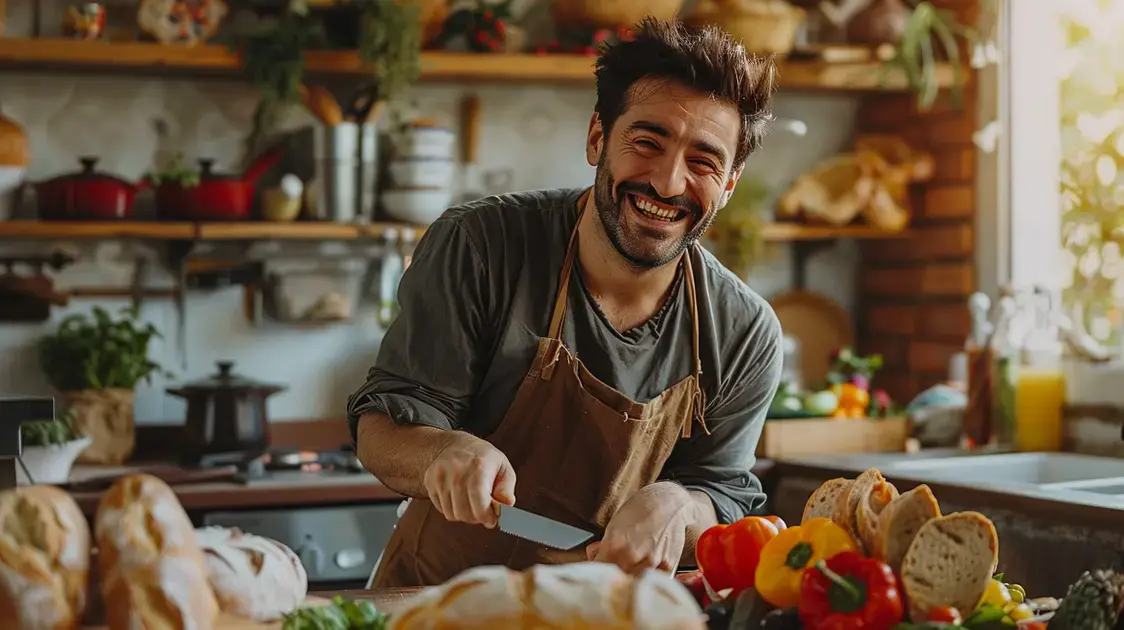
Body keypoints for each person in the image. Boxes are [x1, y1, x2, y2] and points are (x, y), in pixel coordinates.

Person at [347, 17, 783, 588]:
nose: (669, 183)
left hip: (608, 614)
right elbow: (381, 428)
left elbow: (721, 491)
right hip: (440, 605)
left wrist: (680, 504)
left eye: (703, 161)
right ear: (598, 137)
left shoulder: (743, 331)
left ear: (728, 184)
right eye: (647, 142)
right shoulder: (481, 246)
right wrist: (439, 453)